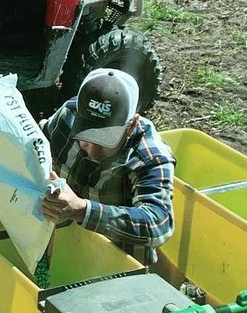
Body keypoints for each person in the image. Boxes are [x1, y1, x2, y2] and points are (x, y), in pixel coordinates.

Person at [39, 67, 175, 264]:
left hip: (119, 262)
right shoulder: (67, 115)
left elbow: (158, 224)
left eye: (105, 140)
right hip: (66, 244)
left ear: (132, 125)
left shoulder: (150, 157)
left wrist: (82, 210)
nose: (92, 150)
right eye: (85, 136)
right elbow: (37, 146)